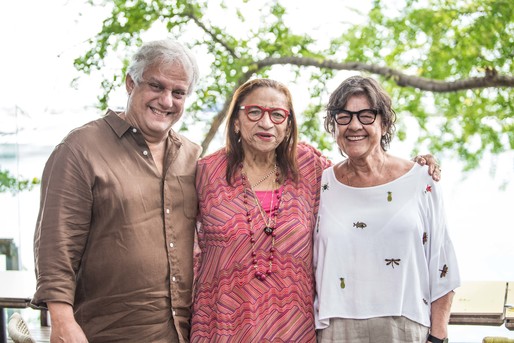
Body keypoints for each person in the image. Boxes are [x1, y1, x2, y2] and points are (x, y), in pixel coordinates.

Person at [190, 78, 441, 342]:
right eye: (254, 112)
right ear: (236, 121)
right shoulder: (206, 172)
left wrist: (415, 168)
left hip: (292, 326)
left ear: (288, 126)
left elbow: (364, 175)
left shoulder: (309, 168)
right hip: (222, 324)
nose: (266, 123)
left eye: (277, 115)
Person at [32, 40, 201, 342]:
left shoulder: (192, 155)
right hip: (107, 333)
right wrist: (62, 321)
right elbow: (56, 245)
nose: (167, 101)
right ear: (130, 82)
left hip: (183, 333)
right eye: (156, 86)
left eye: (178, 93)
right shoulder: (80, 149)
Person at [313, 75, 460, 343]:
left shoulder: (420, 180)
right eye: (343, 116)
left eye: (366, 115)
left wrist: (438, 338)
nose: (354, 125)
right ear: (333, 125)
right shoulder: (322, 185)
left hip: (405, 326)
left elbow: (441, 263)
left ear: (384, 122)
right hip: (336, 329)